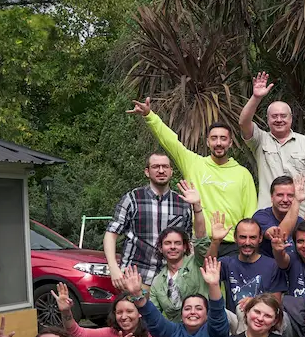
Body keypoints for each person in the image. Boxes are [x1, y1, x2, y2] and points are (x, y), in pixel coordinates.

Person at [131, 98, 256, 229]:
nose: (218, 143)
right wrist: (149, 115)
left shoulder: (243, 174)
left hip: (232, 239)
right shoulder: (193, 164)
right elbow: (170, 141)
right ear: (207, 142)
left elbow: (250, 214)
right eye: (214, 138)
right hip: (199, 238)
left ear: (230, 143)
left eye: (223, 138)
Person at [239, 71, 305, 219]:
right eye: (274, 116)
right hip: (269, 215)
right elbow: (243, 123)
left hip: (301, 212)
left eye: (283, 116)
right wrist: (256, 97)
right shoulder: (260, 140)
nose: (279, 120)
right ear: (268, 119)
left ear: (291, 118)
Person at [104, 155, 195, 289]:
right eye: (155, 167)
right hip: (135, 277)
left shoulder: (182, 203)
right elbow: (111, 234)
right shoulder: (133, 199)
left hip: (171, 279)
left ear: (171, 171)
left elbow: (189, 243)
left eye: (165, 166)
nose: (161, 170)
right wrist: (113, 268)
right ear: (147, 172)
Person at [220, 217, 286, 333]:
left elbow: (276, 303)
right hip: (235, 320)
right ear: (235, 238)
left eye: (252, 237)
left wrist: (255, 302)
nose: (247, 242)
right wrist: (216, 241)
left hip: (262, 321)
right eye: (243, 237)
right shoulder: (227, 263)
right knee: (214, 310)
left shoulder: (272, 265)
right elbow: (207, 269)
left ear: (260, 238)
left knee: (245, 309)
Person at [147, 223, 211, 324]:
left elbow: (202, 242)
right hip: (177, 330)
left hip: (205, 325)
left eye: (177, 243)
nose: (173, 247)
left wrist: (197, 211)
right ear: (160, 248)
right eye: (167, 243)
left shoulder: (197, 263)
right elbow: (154, 316)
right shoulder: (157, 282)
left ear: (185, 247)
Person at [250, 175, 305, 257]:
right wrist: (296, 202)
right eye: (280, 195)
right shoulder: (261, 216)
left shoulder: (300, 222)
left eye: (290, 195)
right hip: (269, 263)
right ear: (272, 197)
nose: (285, 200)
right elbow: (279, 237)